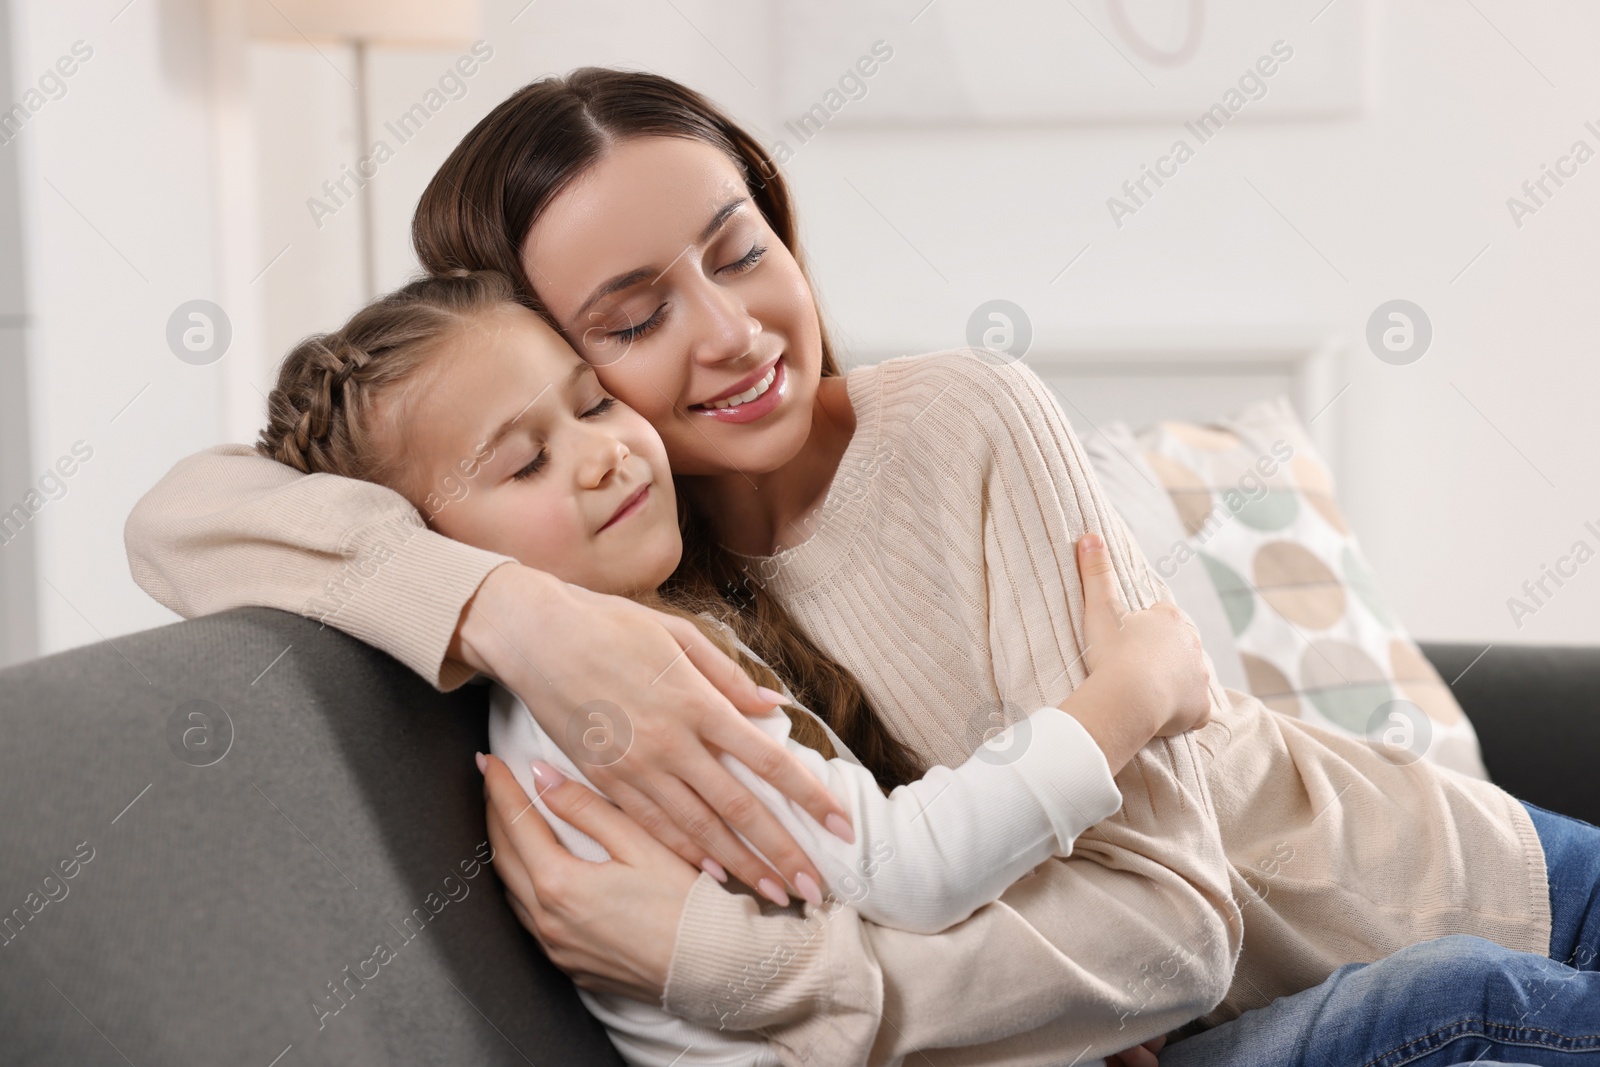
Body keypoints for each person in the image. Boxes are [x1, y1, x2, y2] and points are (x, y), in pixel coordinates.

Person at [126, 69, 1600, 1064]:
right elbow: (179, 516)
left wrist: (735, 961)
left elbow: (1170, 926)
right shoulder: (623, 573)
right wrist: (513, 616)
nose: (735, 332)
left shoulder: (957, 417)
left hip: (1452, 883)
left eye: (740, 245)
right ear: (542, 348)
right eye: (633, 318)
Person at [249, 268, 1217, 1067]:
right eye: (524, 463)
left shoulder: (619, 646)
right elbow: (907, 869)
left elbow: (842, 902)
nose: (600, 455)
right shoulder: (626, 701)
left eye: (590, 403)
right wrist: (1131, 690)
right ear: (430, 546)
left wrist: (1059, 1030)